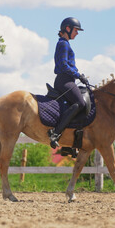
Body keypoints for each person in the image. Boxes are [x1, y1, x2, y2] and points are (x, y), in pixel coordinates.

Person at [48, 17, 89, 148]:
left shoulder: (65, 43)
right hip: (64, 81)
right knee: (80, 103)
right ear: (67, 28)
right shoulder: (63, 44)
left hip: (67, 80)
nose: (77, 33)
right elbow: (64, 66)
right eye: (76, 30)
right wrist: (78, 75)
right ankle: (55, 132)